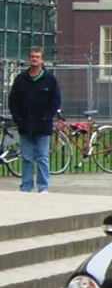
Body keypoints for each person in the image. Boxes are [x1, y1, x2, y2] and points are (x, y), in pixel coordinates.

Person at [7, 46, 61, 193]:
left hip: (43, 125)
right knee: (27, 158)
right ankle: (26, 186)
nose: (34, 59)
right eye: (32, 56)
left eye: (37, 56)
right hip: (25, 125)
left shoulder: (49, 79)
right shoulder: (21, 80)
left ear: (42, 59)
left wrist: (46, 116)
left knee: (42, 157)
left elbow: (56, 101)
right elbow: (13, 101)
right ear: (29, 58)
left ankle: (43, 187)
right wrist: (17, 117)